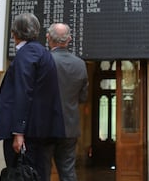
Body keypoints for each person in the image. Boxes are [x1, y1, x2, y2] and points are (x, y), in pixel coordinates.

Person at [0, 13, 65, 181]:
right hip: (37, 130)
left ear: (15, 33)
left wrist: (18, 132)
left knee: (23, 175)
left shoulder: (27, 54)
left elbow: (23, 92)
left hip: (27, 133)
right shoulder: (41, 52)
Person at [45, 23, 89, 181]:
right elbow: (83, 98)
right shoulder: (80, 64)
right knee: (68, 173)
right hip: (69, 128)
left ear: (48, 38)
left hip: (45, 127)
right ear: (69, 39)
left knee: (43, 172)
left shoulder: (43, 61)